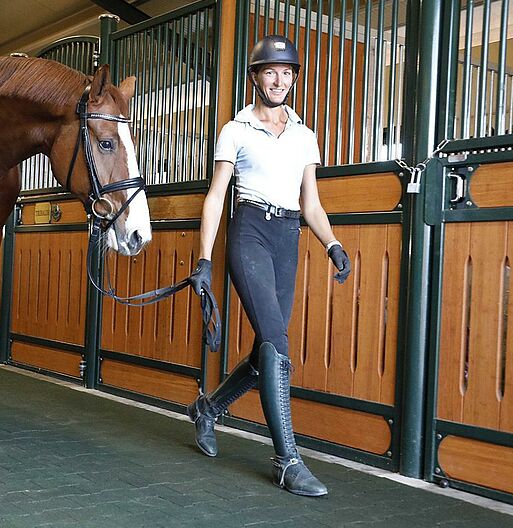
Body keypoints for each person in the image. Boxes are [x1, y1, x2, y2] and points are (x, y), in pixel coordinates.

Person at [186, 35, 351, 497]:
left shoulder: (304, 136)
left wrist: (331, 242)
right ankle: (287, 460)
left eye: (286, 73)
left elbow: (311, 203)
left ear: (293, 78)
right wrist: (203, 258)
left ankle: (208, 409)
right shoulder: (235, 130)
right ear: (255, 77)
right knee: (277, 344)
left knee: (266, 348)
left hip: (289, 236)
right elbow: (216, 196)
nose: (279, 80)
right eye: (270, 72)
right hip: (250, 231)